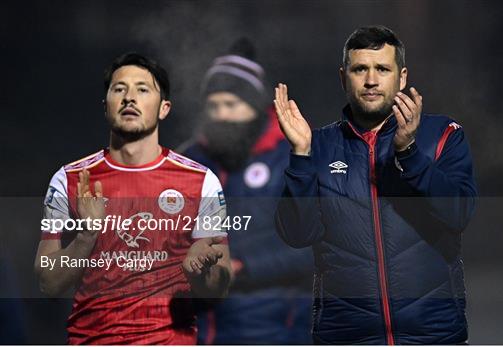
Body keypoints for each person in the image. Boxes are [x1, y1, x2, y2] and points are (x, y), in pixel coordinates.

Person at [274, 26, 477, 344]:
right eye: (360, 69)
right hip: (346, 336)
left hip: (433, 335)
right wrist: (300, 155)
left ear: (402, 76)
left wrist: (409, 153)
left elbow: (458, 214)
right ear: (344, 78)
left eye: (382, 68)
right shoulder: (319, 145)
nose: (371, 80)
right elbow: (297, 234)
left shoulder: (442, 136)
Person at [34, 53, 232, 345]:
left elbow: (220, 288)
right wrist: (87, 236)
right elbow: (48, 283)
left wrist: (199, 273)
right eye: (119, 89)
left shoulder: (201, 181)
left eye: (142, 89)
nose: (129, 98)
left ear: (164, 108)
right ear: (106, 107)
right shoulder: (68, 180)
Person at [179, 38, 313, 344]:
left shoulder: (290, 159)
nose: (222, 115)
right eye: (213, 106)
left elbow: (313, 246)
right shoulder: (190, 160)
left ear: (255, 107)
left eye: (231, 105)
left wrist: (242, 265)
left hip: (273, 325)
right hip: (198, 327)